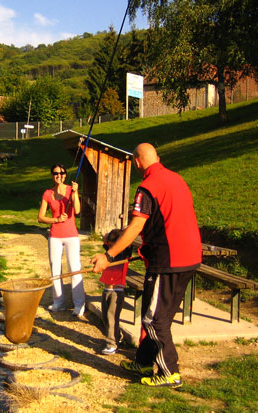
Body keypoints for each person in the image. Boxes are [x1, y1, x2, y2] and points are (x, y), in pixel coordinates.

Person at [91, 143, 202, 388]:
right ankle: (143, 361)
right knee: (158, 315)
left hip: (168, 260)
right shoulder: (177, 179)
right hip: (190, 257)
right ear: (158, 158)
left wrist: (108, 256)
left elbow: (135, 226)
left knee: (154, 320)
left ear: (137, 162)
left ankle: (169, 372)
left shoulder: (147, 187)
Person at [38, 163, 86, 319]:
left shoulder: (71, 190)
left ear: (65, 175)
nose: (58, 175)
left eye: (61, 173)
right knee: (55, 270)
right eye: (55, 173)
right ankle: (58, 302)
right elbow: (40, 217)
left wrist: (75, 193)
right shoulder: (47, 193)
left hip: (71, 235)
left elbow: (77, 211)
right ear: (52, 175)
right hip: (55, 236)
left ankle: (79, 305)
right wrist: (56, 219)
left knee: (74, 269)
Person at [99, 229, 132, 355]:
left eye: (114, 246)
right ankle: (118, 337)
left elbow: (127, 243)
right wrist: (106, 238)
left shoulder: (124, 254)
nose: (113, 248)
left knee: (112, 318)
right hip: (107, 290)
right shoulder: (108, 253)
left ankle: (112, 344)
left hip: (116, 291)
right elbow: (105, 242)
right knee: (106, 318)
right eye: (111, 246)